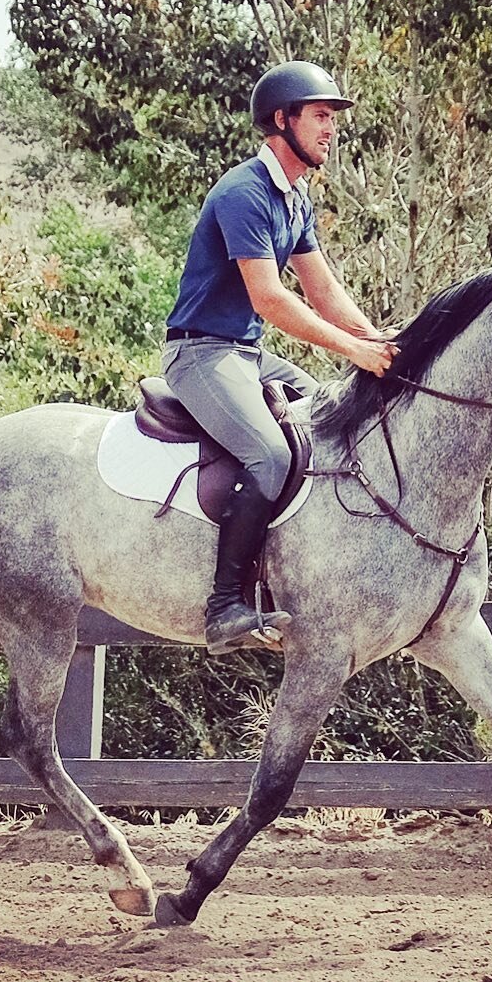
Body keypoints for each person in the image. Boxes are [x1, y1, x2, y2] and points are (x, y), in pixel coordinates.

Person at [163, 60, 398, 655]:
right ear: (281, 120)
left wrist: (382, 340)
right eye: (320, 116)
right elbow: (269, 298)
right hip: (202, 355)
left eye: (331, 119)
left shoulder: (294, 199)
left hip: (246, 356)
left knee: (323, 415)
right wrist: (353, 350)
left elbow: (322, 291)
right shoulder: (244, 192)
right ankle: (224, 607)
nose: (330, 129)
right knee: (268, 453)